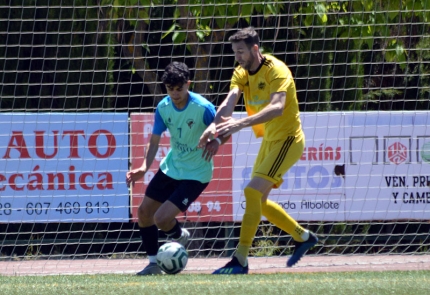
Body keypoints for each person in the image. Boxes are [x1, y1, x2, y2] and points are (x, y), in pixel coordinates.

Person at [198, 27, 318, 275]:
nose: (237, 57)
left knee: (251, 191)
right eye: (234, 52)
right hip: (269, 142)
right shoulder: (241, 72)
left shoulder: (277, 70)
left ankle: (240, 259)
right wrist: (214, 129)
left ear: (255, 49)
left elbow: (277, 108)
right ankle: (303, 237)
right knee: (258, 201)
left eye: (240, 51)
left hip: (288, 141)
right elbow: (229, 103)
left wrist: (239, 124)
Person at [126, 61, 220, 275]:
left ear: (188, 84)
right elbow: (154, 140)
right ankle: (153, 264)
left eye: (180, 89)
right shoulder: (163, 107)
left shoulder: (203, 108)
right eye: (170, 89)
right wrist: (143, 167)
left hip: (196, 174)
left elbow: (222, 127)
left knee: (161, 219)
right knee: (143, 212)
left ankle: (179, 235)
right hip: (171, 168)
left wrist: (217, 141)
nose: (175, 94)